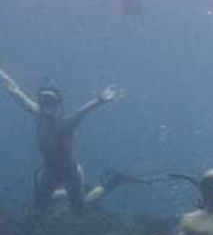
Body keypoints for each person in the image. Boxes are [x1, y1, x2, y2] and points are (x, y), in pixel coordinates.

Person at [0, 69, 125, 212]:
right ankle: (72, 191)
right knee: (39, 208)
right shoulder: (37, 115)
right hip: (50, 171)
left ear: (58, 104)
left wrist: (101, 100)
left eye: (51, 101)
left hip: (70, 173)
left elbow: (84, 110)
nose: (48, 106)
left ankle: (111, 183)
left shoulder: (67, 123)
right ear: (40, 103)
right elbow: (15, 91)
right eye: (44, 101)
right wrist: (2, 74)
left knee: (79, 209)